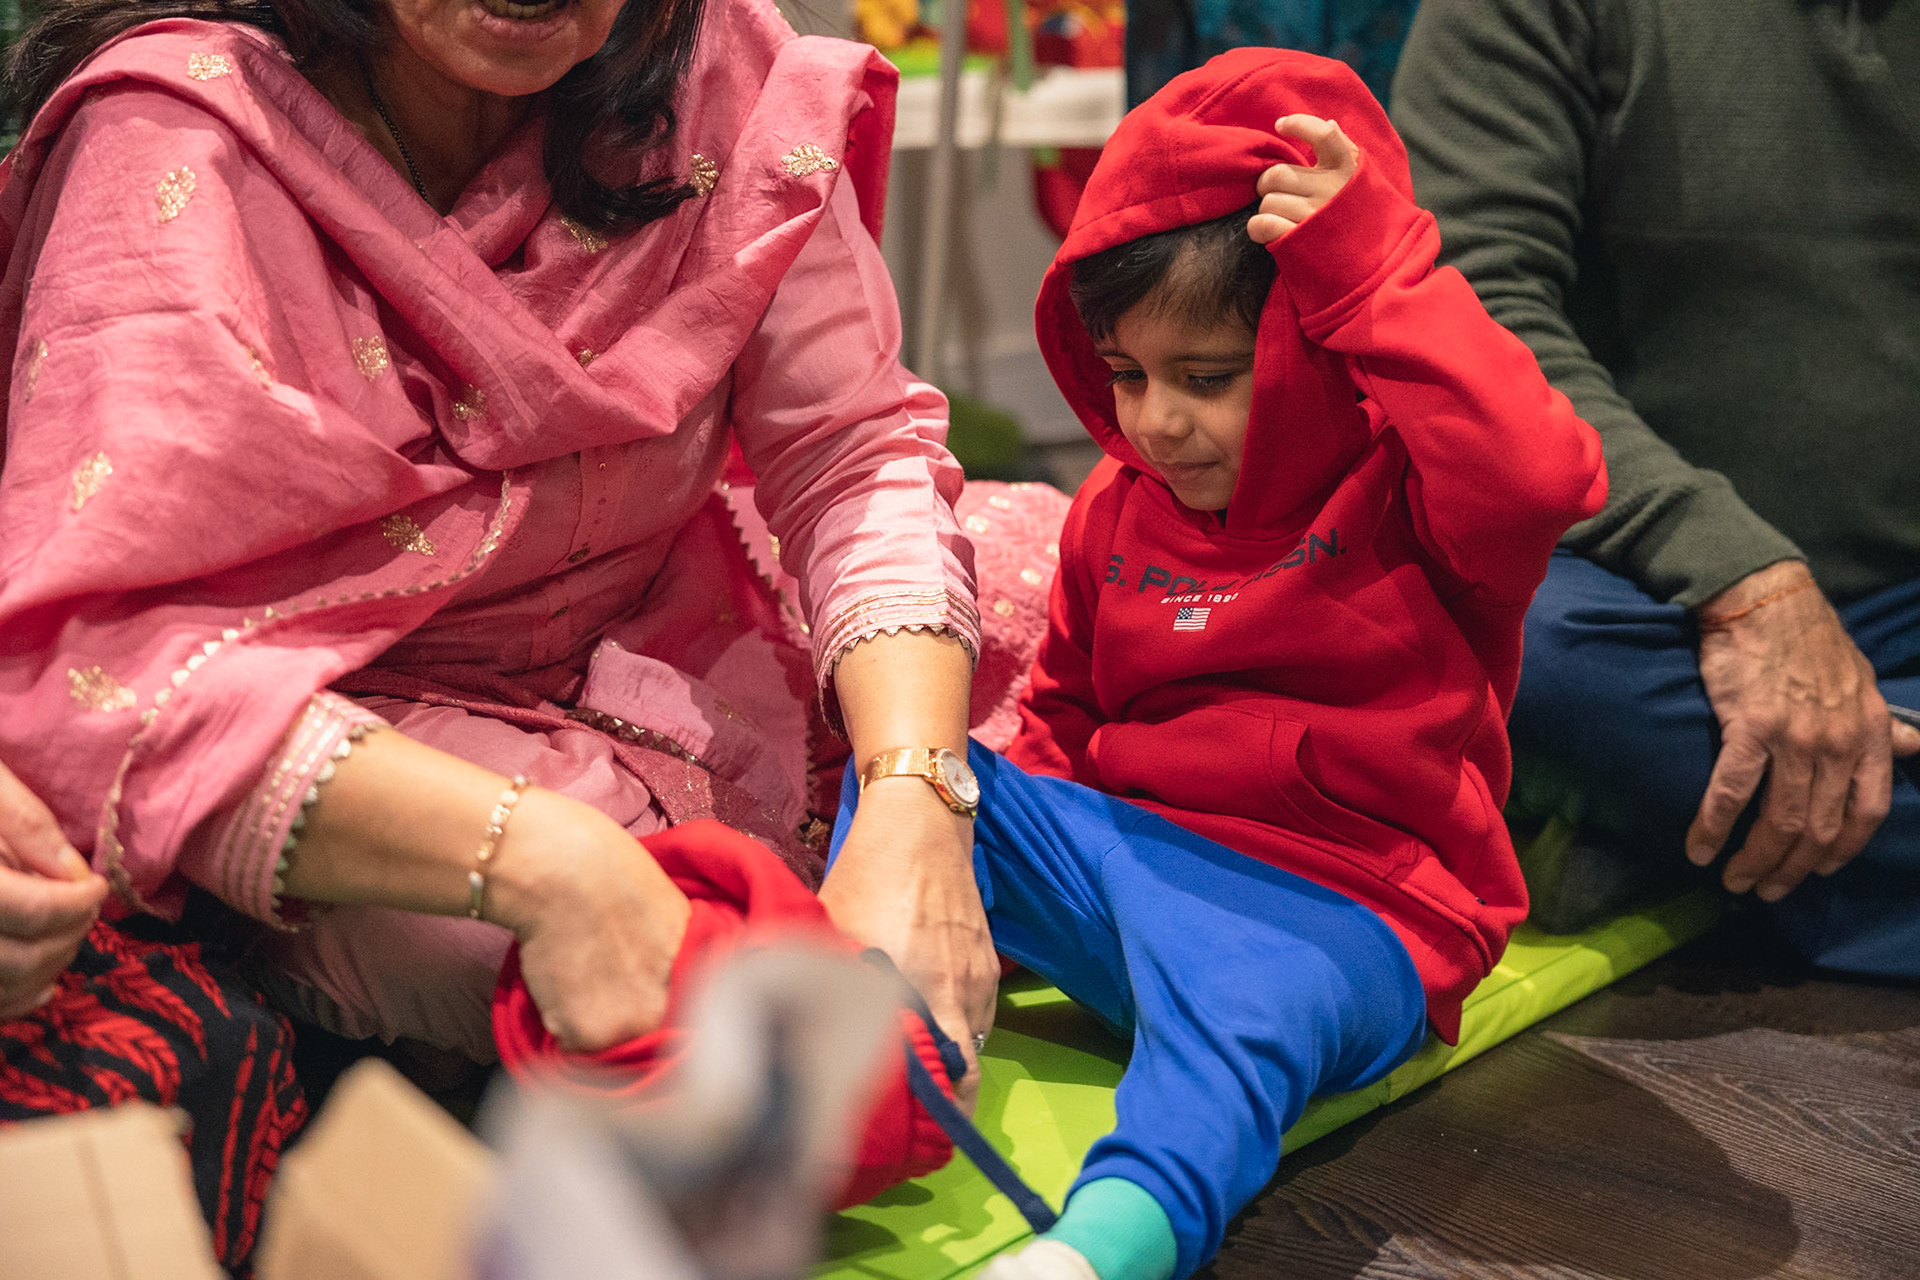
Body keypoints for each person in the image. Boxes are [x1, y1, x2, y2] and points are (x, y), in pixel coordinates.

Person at [0, 0, 1034, 1108]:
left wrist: (916, 796)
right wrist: (549, 863)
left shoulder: (715, 71)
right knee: (730, 1027)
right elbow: (109, 671)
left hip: (670, 631)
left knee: (1055, 596)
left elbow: (850, 448)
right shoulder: (175, 138)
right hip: (350, 741)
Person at [831, 48, 1605, 1280]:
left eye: (1207, 378)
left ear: (1312, 341)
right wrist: (988, 869)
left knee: (1239, 1016)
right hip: (1133, 865)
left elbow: (1545, 475)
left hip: (1350, 909)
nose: (1156, 420)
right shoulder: (1114, 504)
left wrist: (1378, 275)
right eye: (1127, 375)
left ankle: (1105, 1243)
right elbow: (1064, 715)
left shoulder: (1414, 484)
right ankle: (878, 1068)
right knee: (907, 791)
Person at [1390, 0, 1920, 968]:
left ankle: (1688, 837)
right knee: (1508, 658)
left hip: (1903, 596)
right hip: (1635, 586)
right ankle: (1798, 829)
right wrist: (1741, 576)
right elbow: (1472, 305)